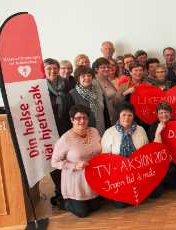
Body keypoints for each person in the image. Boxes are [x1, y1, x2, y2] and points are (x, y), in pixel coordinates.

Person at [51, 105, 101, 218]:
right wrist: (74, 165)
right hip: (76, 181)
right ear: (72, 120)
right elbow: (54, 162)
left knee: (96, 207)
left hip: (93, 178)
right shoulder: (65, 139)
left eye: (85, 117)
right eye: (78, 118)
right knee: (82, 213)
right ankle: (62, 202)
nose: (82, 121)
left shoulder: (94, 132)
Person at [101, 103, 149, 208]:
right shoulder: (109, 133)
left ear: (133, 116)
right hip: (119, 176)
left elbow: (146, 154)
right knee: (121, 205)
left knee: (147, 197)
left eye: (129, 115)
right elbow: (105, 159)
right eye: (123, 115)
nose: (126, 118)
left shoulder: (140, 130)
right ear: (118, 115)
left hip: (138, 173)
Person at [44, 58, 73, 208]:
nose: (53, 71)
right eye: (49, 69)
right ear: (43, 71)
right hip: (49, 131)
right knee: (55, 162)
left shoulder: (66, 84)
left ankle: (70, 191)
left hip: (66, 128)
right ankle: (60, 192)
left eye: (55, 68)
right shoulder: (39, 88)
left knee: (68, 159)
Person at [148, 102, 176, 190]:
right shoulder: (153, 127)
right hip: (159, 160)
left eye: (166, 112)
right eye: (161, 113)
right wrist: (158, 133)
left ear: (170, 113)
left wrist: (173, 157)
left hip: (174, 160)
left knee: (174, 186)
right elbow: (154, 148)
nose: (164, 115)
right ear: (157, 115)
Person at [69, 66, 106, 135]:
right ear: (78, 78)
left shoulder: (98, 91)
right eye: (83, 76)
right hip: (84, 132)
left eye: (89, 75)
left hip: (101, 129)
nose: (87, 78)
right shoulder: (72, 94)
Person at [93, 57, 122, 126]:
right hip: (104, 119)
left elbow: (115, 98)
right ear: (96, 69)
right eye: (103, 67)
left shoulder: (107, 79)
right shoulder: (94, 82)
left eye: (108, 67)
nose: (106, 69)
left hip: (114, 116)